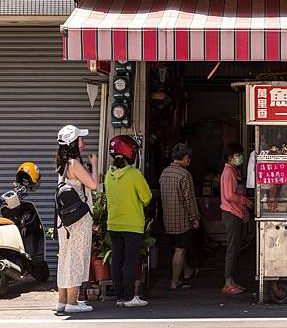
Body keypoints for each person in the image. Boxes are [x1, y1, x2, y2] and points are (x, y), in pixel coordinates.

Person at [104, 135, 152, 308]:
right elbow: (146, 198)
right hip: (132, 225)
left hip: (113, 224)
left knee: (116, 259)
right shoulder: (134, 174)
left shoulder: (109, 175)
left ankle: (119, 298)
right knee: (130, 261)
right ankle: (130, 297)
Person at [55, 125, 97, 314]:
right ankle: (73, 302)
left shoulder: (62, 163)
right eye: (80, 138)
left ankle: (63, 300)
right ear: (73, 143)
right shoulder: (74, 164)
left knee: (65, 257)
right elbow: (94, 185)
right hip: (78, 218)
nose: (83, 142)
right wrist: (94, 165)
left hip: (64, 220)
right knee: (76, 257)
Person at [159, 143, 201, 290]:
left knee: (177, 248)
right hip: (182, 219)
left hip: (167, 218)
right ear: (185, 158)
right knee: (180, 250)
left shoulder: (164, 173)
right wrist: (195, 218)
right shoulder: (184, 174)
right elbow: (189, 199)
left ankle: (187, 271)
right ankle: (174, 281)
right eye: (188, 158)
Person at [220, 143, 253, 296]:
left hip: (237, 213)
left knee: (235, 248)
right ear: (230, 157)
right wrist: (246, 202)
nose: (240, 157)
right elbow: (229, 196)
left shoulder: (234, 171)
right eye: (237, 155)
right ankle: (227, 283)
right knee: (232, 249)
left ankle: (231, 280)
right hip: (231, 213)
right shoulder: (228, 172)